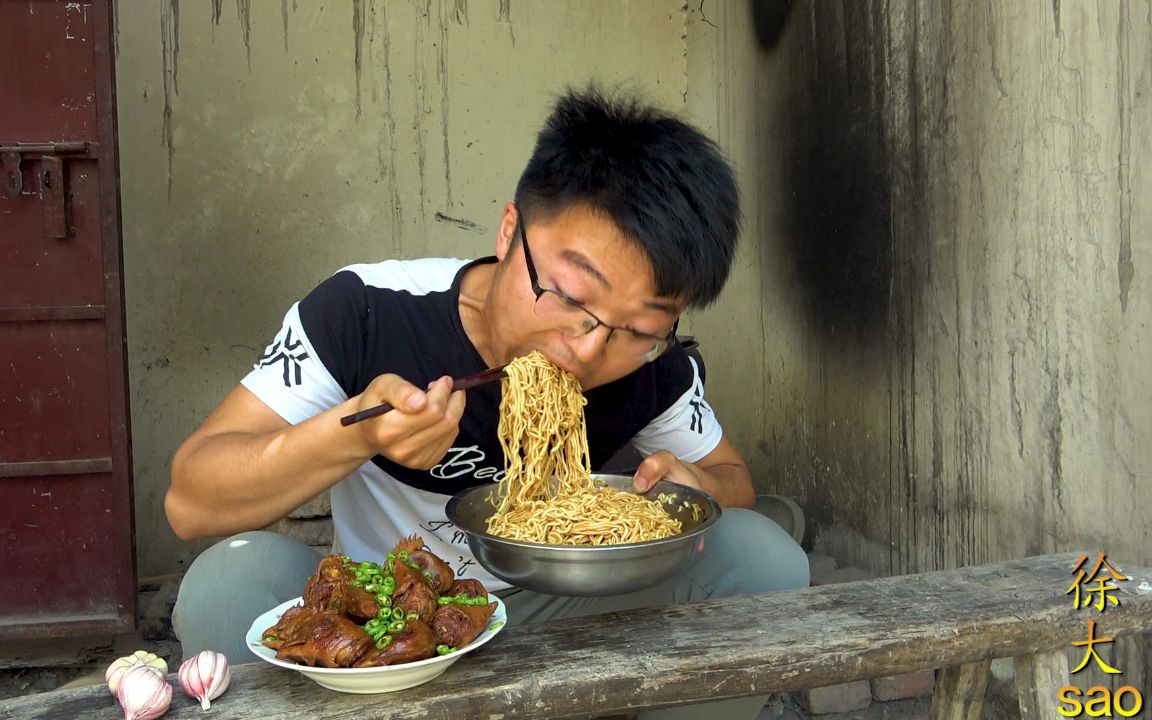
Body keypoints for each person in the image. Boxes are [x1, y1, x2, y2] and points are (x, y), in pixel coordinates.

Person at [167, 86, 809, 719]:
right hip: (388, 619)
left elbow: (731, 479)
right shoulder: (369, 311)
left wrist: (697, 485)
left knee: (761, 556)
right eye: (569, 296)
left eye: (639, 327)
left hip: (561, 607)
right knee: (228, 584)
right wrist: (355, 435)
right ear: (510, 233)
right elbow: (191, 500)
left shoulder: (655, 366)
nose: (589, 349)